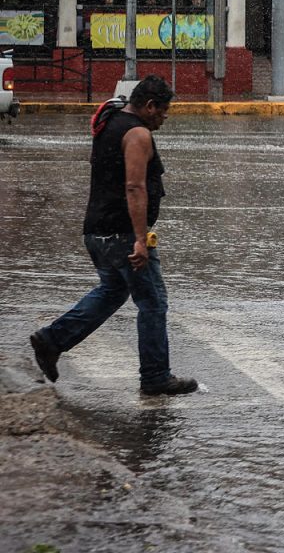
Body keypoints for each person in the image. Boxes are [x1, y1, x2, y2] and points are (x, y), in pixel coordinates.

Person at [29, 76, 198, 396]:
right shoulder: (137, 134)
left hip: (97, 229)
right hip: (122, 234)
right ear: (150, 107)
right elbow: (134, 187)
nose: (165, 118)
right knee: (153, 302)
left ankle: (52, 340)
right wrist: (139, 238)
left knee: (112, 291)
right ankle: (155, 377)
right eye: (163, 112)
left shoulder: (111, 120)